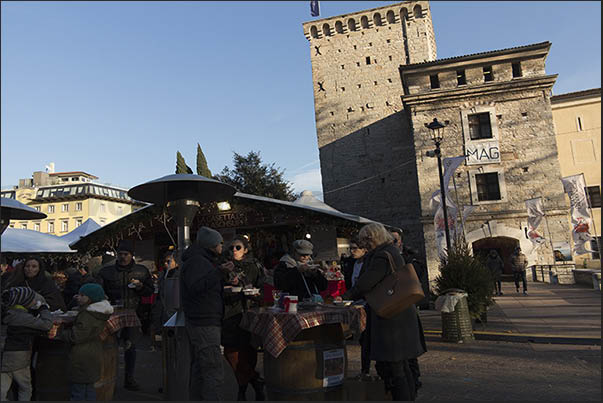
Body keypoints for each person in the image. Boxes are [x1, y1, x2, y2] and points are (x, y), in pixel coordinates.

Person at [341, 223, 425, 401]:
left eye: (366, 241)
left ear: (373, 239)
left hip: (392, 317)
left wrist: (346, 296)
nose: (364, 245)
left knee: (397, 368)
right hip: (402, 312)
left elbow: (366, 282)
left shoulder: (381, 256)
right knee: (403, 365)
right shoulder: (390, 251)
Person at [96, 240, 154, 391]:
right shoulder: (106, 271)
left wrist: (141, 287)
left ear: (131, 255)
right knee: (110, 347)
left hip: (133, 313)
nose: (122, 257)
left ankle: (129, 378)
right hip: (111, 313)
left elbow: (150, 291)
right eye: (120, 254)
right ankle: (109, 379)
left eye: (125, 254)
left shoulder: (141, 270)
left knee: (130, 346)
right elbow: (99, 291)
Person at [181, 226, 225, 401]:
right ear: (212, 245)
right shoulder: (198, 261)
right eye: (220, 243)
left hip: (202, 319)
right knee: (213, 370)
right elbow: (196, 287)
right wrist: (219, 273)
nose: (222, 246)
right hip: (204, 321)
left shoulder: (200, 260)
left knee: (201, 368)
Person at [221, 235, 266, 401]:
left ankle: (243, 390)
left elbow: (261, 289)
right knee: (231, 353)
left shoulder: (254, 265)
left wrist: (247, 287)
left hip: (248, 312)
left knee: (248, 354)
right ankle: (255, 381)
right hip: (229, 313)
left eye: (238, 247)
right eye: (232, 247)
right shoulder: (223, 265)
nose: (234, 250)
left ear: (246, 250)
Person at [50, 283, 113, 401]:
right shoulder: (96, 313)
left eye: (82, 295)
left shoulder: (88, 315)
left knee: (78, 391)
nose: (78, 297)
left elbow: (77, 335)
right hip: (91, 353)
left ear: (90, 298)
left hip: (82, 356)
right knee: (88, 388)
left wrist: (59, 333)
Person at [389, 228, 428, 396]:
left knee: (410, 351)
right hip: (393, 310)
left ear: (401, 242)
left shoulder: (410, 257)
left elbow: (418, 276)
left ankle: (414, 380)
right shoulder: (387, 258)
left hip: (408, 309)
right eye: (389, 241)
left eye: (394, 241)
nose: (392, 244)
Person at [1, 287, 54, 401]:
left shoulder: (7, 312)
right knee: (25, 387)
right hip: (18, 358)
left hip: (3, 357)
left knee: (2, 389)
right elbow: (46, 325)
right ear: (25, 302)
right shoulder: (22, 317)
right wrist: (43, 309)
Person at [341, 238, 373, 379]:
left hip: (367, 304)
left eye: (355, 248)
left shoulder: (368, 264)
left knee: (367, 338)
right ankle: (364, 369)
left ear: (364, 249)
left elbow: (363, 285)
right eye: (351, 248)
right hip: (356, 304)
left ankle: (366, 369)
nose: (352, 251)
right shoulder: (352, 263)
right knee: (362, 338)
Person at [2, 257, 67, 312]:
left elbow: (55, 302)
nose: (30, 269)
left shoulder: (46, 283)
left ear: (39, 269)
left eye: (34, 266)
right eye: (27, 266)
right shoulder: (18, 281)